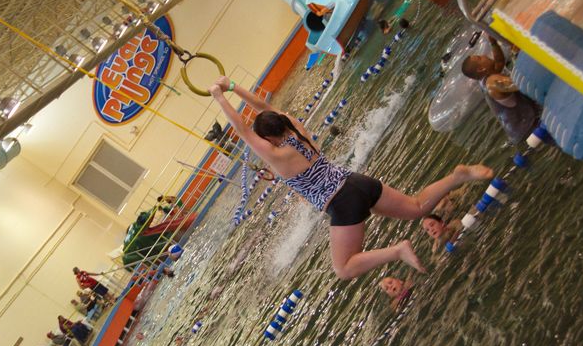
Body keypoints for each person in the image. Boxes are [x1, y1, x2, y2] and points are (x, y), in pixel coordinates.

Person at [209, 76, 493, 280]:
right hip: (357, 182)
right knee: (419, 207)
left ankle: (398, 251)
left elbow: (241, 129)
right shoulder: (295, 128)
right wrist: (231, 86)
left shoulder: (277, 156)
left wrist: (218, 97)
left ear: (268, 138)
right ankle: (458, 176)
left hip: (342, 202)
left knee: (344, 269)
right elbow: (264, 107)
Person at [461, 35, 540, 143]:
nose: (484, 55)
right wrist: (517, 54)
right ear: (481, 69)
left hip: (525, 126)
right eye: (480, 58)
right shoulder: (492, 83)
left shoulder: (486, 76)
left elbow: (499, 63)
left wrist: (493, 43)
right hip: (527, 130)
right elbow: (523, 83)